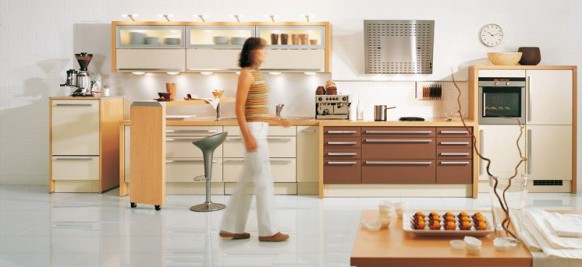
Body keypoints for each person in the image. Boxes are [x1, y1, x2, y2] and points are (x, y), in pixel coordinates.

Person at [219, 37, 290, 242]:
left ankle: (230, 227)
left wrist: (276, 120)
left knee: (247, 181)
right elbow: (239, 109)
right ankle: (269, 231)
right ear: (250, 52)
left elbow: (255, 109)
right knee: (264, 179)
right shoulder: (246, 74)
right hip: (254, 131)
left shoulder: (257, 74)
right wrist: (248, 136)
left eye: (265, 50)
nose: (264, 53)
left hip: (260, 128)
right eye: (261, 50)